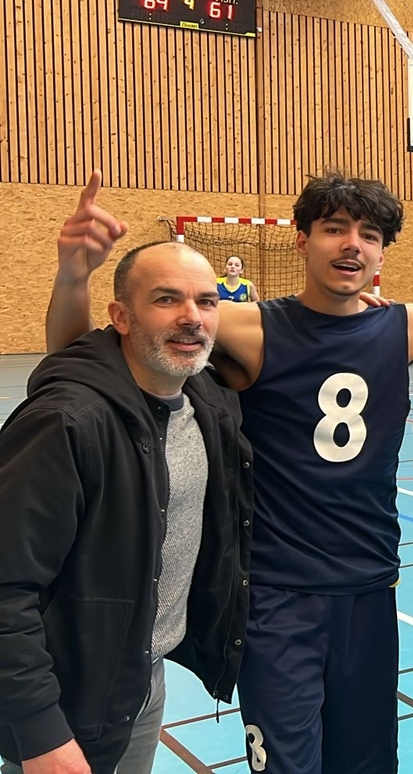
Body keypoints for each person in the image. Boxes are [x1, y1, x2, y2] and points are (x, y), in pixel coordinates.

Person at [47, 171, 413, 774]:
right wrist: (73, 275)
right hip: (275, 594)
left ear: (381, 254)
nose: (352, 244)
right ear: (301, 240)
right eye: (334, 229)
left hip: (371, 587)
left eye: (370, 235)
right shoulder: (248, 326)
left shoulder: (409, 326)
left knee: (369, 762)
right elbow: (80, 360)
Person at [1, 233, 251, 774]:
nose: (192, 317)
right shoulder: (66, 424)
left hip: (143, 676)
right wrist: (40, 732)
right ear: (120, 317)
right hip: (66, 694)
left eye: (206, 301)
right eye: (166, 299)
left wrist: (353, 304)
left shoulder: (207, 403)